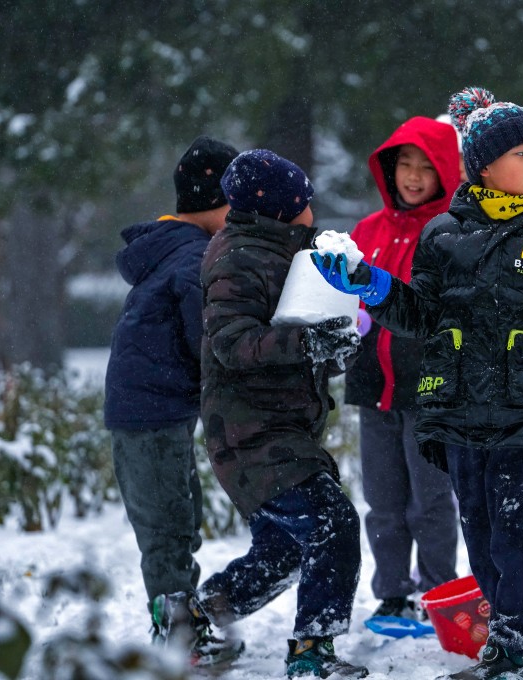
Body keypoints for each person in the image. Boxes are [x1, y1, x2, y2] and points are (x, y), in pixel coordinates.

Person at [313, 86, 523, 680]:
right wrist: (371, 284)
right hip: (457, 409)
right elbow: (422, 316)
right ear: (481, 165)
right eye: (520, 152)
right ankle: (503, 639)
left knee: (517, 528)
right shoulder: (443, 235)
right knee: (478, 528)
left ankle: (520, 644)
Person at [194, 149, 367, 679]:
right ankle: (313, 650)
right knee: (333, 525)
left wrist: (335, 343)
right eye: (306, 201)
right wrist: (309, 343)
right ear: (284, 209)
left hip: (279, 426)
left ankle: (195, 616)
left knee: (287, 551)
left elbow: (299, 333)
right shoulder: (237, 259)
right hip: (249, 432)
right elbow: (233, 343)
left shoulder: (284, 251)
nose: (313, 210)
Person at [103, 135, 244, 667]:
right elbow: (204, 334)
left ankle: (184, 628)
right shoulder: (192, 258)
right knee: (167, 526)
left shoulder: (170, 249)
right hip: (151, 414)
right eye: (237, 208)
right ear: (217, 204)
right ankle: (179, 639)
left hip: (152, 411)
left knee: (175, 516)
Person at [347, 116, 461, 620]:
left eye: (426, 167)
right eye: (404, 165)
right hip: (373, 388)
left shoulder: (451, 233)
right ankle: (392, 596)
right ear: (388, 170)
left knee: (431, 502)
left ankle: (438, 595)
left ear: (445, 174)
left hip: (430, 391)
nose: (413, 177)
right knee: (384, 502)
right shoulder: (366, 231)